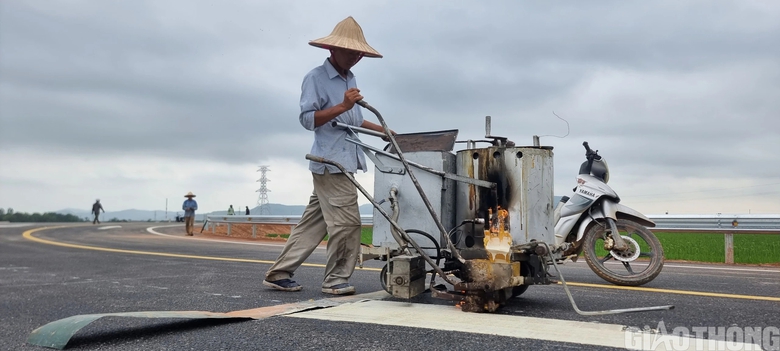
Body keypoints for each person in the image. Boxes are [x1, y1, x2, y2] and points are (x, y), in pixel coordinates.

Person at [263, 16, 390, 296]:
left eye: (359, 53)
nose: (355, 57)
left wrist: (381, 129)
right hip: (331, 162)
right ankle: (335, 280)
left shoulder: (349, 77)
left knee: (313, 224)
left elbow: (351, 119)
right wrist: (343, 104)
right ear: (332, 50)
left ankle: (279, 273)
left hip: (344, 160)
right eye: (350, 51)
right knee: (348, 223)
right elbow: (308, 120)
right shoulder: (316, 78)